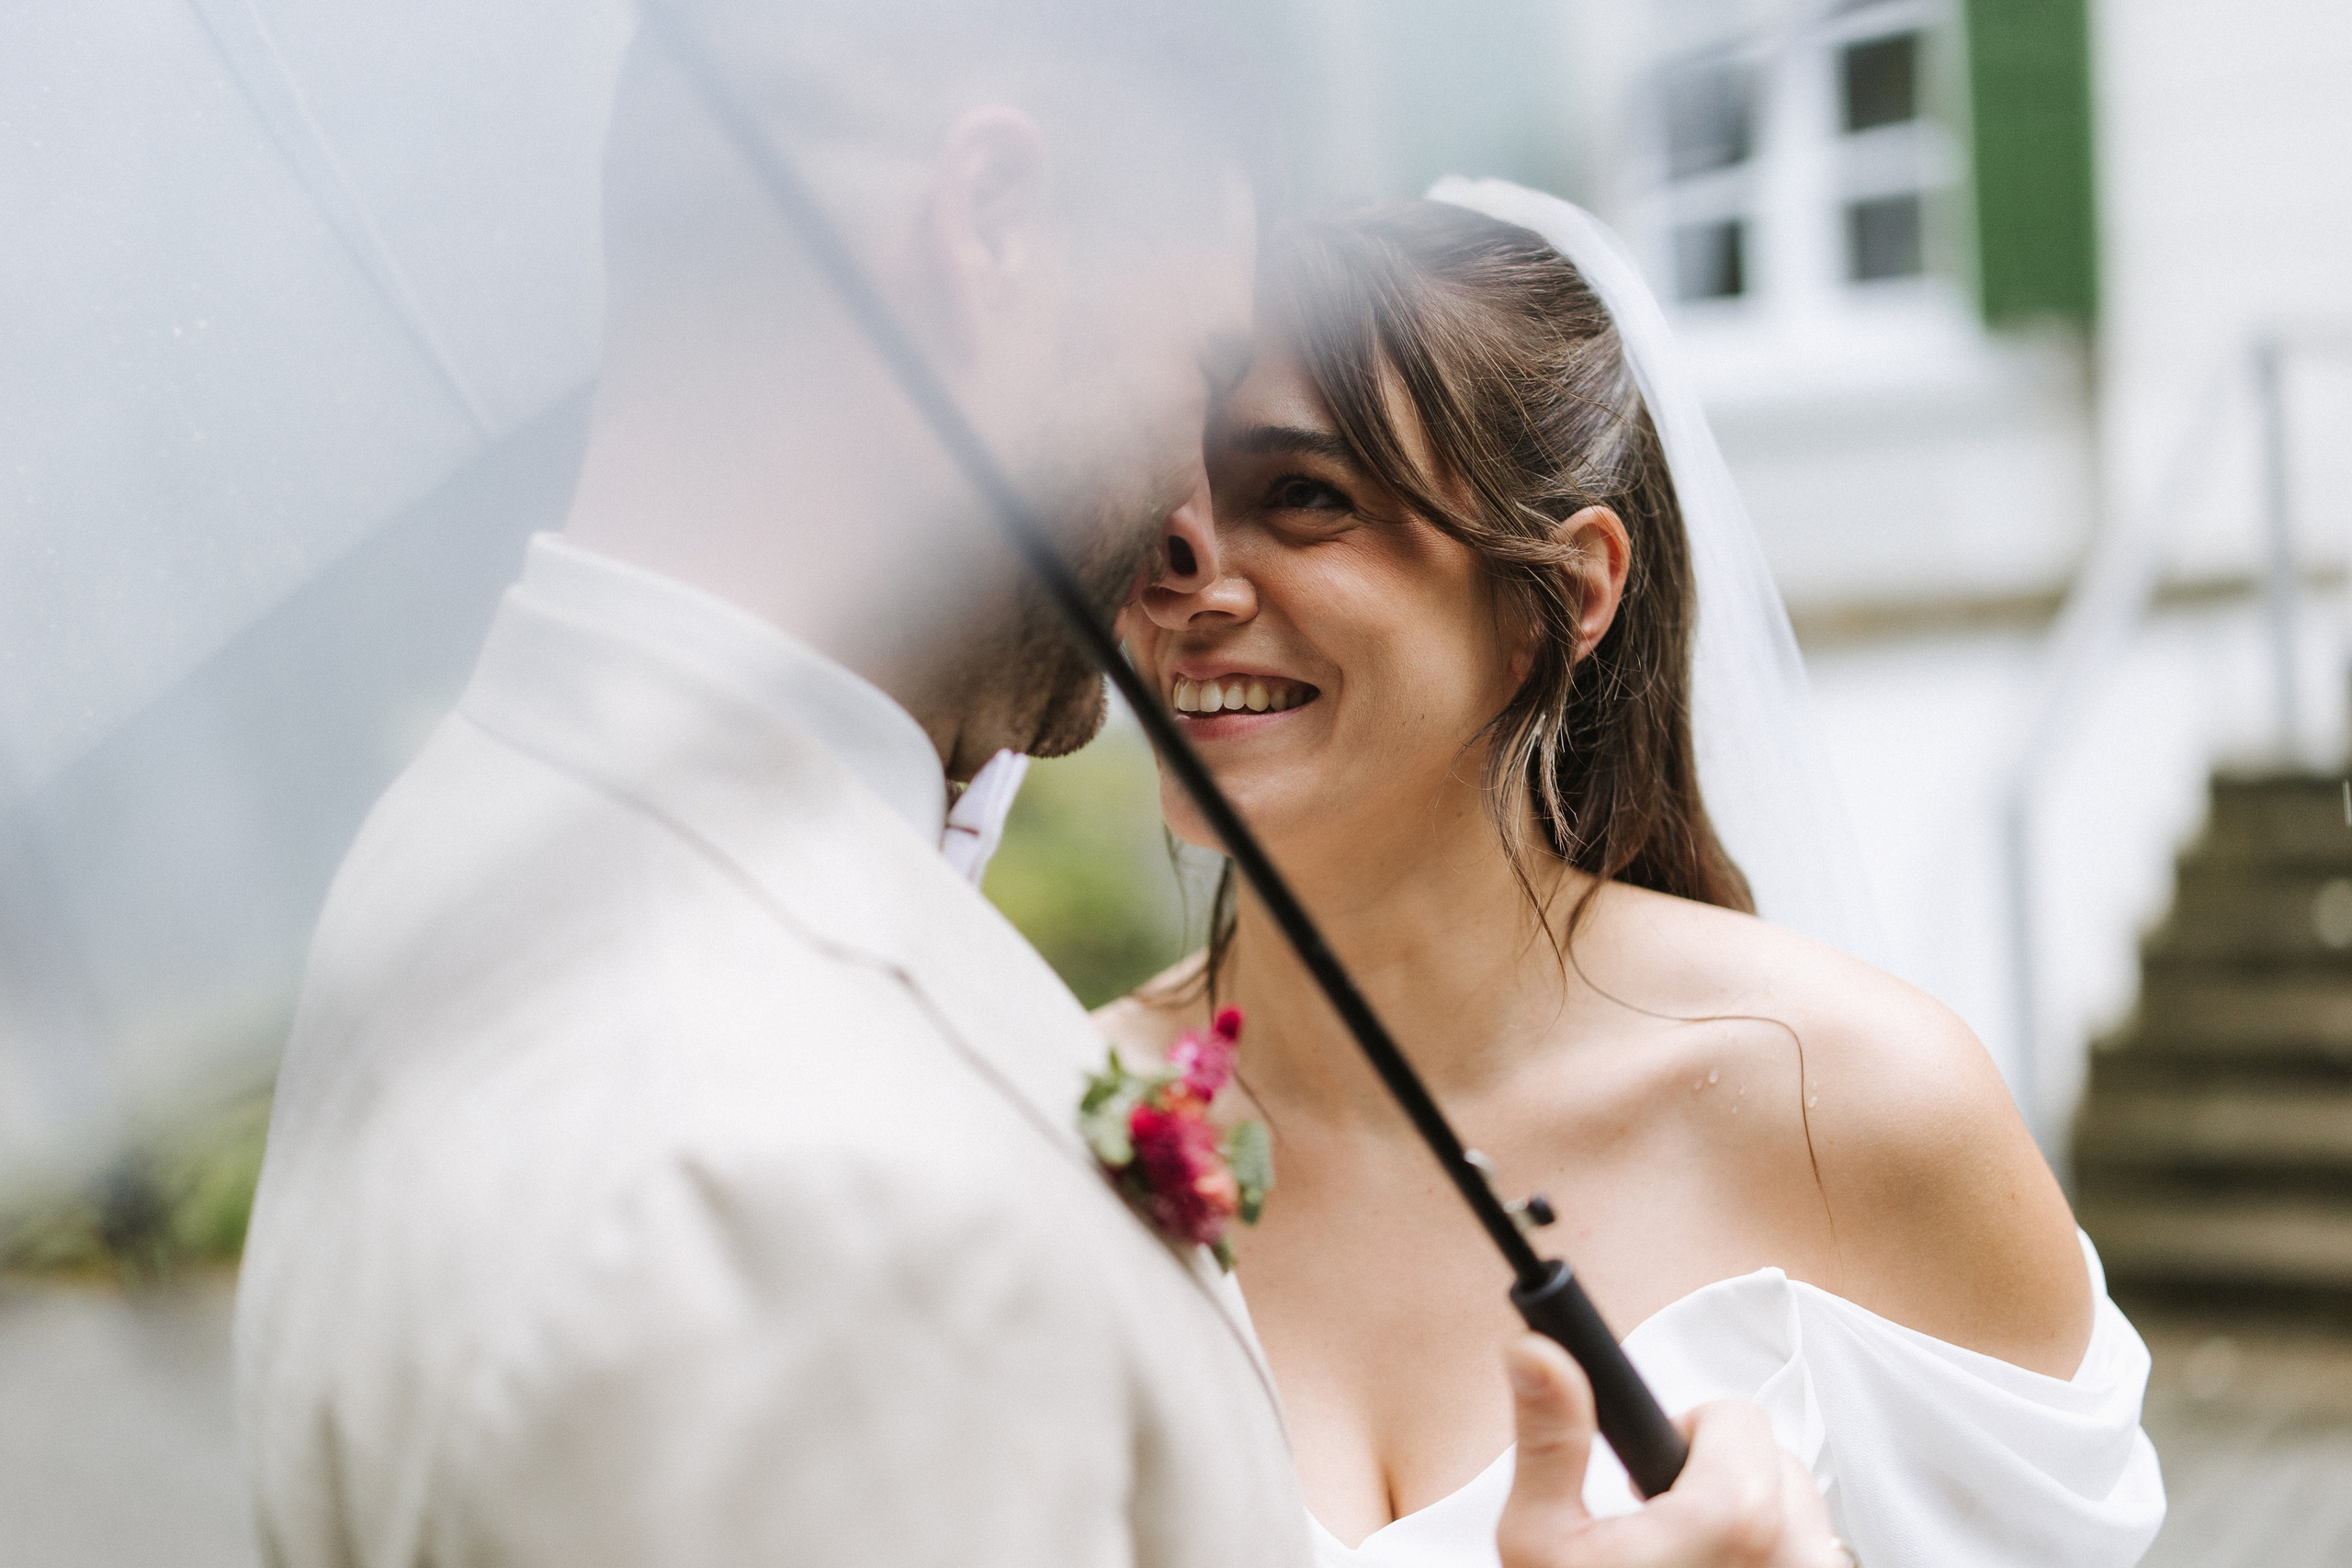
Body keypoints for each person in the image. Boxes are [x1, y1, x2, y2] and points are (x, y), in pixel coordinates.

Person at [232, 5, 1847, 1565]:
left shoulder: (475, 846)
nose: (1187, 534)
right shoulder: (799, 1190)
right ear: (990, 228)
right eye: (1192, 364)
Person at [1102, 188, 2167, 1566]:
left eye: (1303, 494)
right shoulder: (1059, 1117)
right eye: (1154, 496)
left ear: (1568, 591)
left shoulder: (1862, 1109)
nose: (1178, 567)